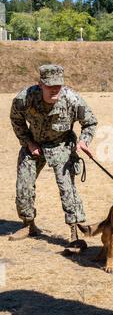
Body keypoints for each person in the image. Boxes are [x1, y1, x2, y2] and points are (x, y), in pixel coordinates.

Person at [10, 64, 98, 245]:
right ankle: (28, 224)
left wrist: (84, 141)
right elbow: (16, 119)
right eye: (50, 86)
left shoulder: (73, 100)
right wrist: (28, 142)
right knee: (23, 187)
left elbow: (90, 122)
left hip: (62, 145)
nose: (55, 90)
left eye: (58, 85)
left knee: (67, 189)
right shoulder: (24, 98)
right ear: (40, 84)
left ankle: (75, 231)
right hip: (33, 145)